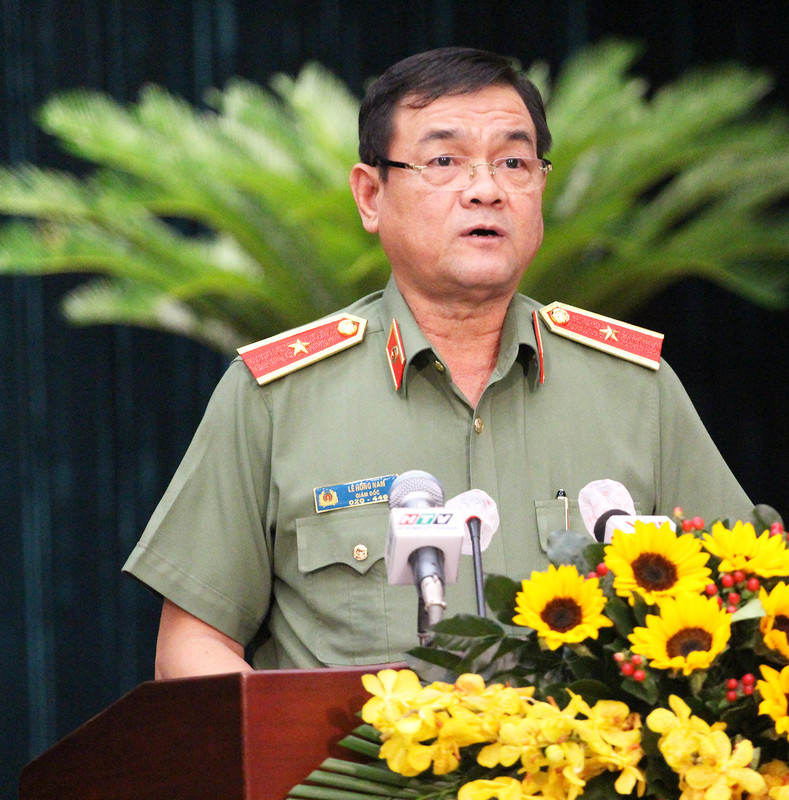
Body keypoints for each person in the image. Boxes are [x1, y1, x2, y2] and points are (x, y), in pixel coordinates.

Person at [123, 47, 752, 678]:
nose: (486, 190)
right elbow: (192, 647)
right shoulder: (274, 397)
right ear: (371, 195)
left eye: (513, 162)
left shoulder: (634, 389)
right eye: (445, 161)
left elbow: (743, 600)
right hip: (362, 747)